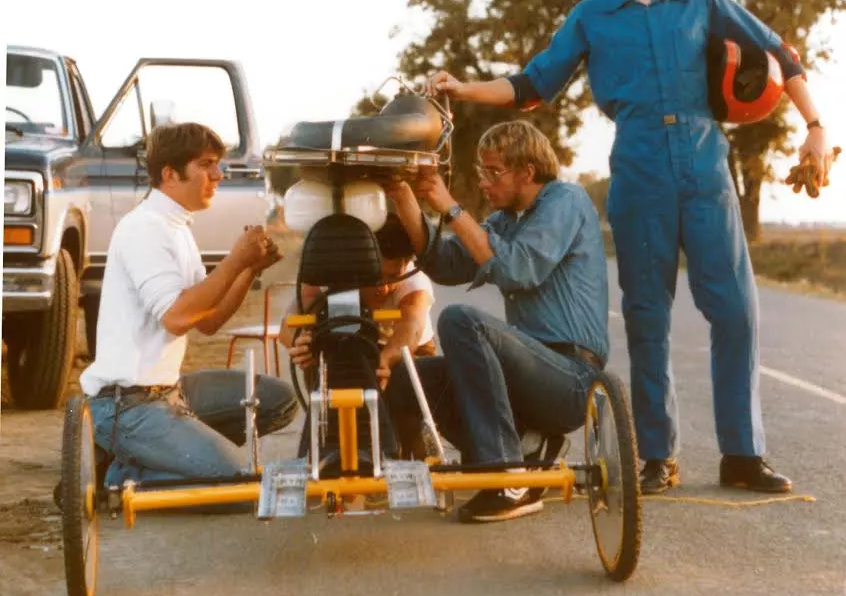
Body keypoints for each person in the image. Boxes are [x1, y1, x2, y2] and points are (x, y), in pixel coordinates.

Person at [425, 0, 838, 495]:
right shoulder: (593, 14)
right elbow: (533, 85)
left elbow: (781, 53)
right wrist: (462, 89)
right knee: (647, 317)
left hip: (703, 159)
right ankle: (657, 455)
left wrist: (817, 128)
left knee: (735, 311)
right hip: (639, 164)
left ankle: (743, 454)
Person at [384, 120, 609, 522]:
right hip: (524, 377)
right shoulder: (506, 219)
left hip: (570, 376)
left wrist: (450, 207)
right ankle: (521, 448)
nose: (485, 182)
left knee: (460, 320)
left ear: (527, 171)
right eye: (481, 171)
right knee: (407, 377)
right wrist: (402, 195)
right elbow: (449, 264)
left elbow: (519, 268)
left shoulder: (566, 201)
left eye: (493, 171)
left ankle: (507, 475)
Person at [77, 122, 298, 490]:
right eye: (206, 164)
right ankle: (113, 476)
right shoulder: (144, 229)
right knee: (242, 482)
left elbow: (208, 321)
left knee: (278, 401)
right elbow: (177, 318)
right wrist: (234, 259)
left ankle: (169, 456)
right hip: (127, 406)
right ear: (170, 174)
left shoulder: (177, 227)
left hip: (167, 391)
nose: (219, 174)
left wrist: (246, 269)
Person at [280, 212, 437, 458]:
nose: (385, 288)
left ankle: (412, 456)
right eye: (378, 277)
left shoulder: (415, 281)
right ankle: (328, 450)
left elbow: (412, 325)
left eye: (394, 276)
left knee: (406, 407)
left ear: (406, 265)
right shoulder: (336, 273)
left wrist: (387, 358)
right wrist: (299, 342)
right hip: (351, 347)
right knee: (320, 362)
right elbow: (291, 320)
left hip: (406, 353)